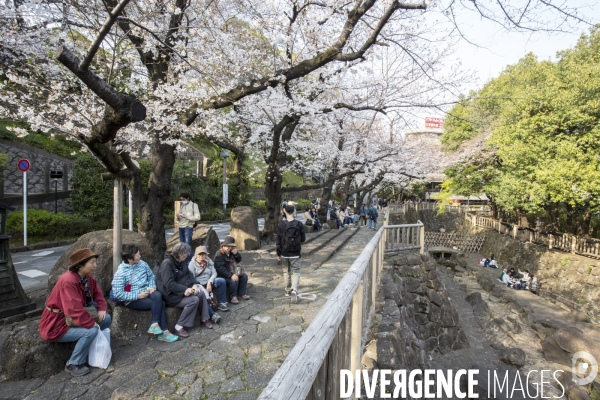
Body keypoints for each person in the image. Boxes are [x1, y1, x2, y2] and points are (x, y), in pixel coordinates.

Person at [40, 248, 112, 377]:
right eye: (92, 263)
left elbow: (97, 293)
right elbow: (73, 309)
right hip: (57, 323)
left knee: (106, 318)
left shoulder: (86, 277)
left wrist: (102, 308)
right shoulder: (68, 281)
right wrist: (91, 323)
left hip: (72, 317)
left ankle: (96, 349)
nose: (96, 266)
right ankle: (73, 363)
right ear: (80, 265)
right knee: (91, 331)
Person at [111, 244, 178, 342]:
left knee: (158, 295)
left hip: (147, 292)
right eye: (137, 255)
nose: (140, 256)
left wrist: (151, 287)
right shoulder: (120, 273)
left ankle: (155, 324)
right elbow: (118, 294)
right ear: (130, 259)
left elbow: (151, 276)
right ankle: (164, 332)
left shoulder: (142, 263)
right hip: (132, 299)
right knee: (161, 303)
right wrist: (137, 295)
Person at [156, 243, 213, 338]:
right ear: (180, 255)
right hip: (170, 295)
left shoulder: (181, 261)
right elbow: (169, 284)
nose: (187, 255)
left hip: (180, 291)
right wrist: (185, 290)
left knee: (201, 293)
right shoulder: (167, 264)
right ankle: (179, 326)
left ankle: (205, 318)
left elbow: (189, 274)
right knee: (194, 300)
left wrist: (194, 284)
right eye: (186, 254)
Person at [277, 204, 306, 303]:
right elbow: (303, 239)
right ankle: (294, 290)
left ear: (284, 211)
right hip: (296, 252)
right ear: (293, 211)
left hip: (284, 252)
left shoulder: (281, 225)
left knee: (286, 272)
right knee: (296, 271)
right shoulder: (299, 224)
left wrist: (278, 253)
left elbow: (278, 241)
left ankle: (287, 291)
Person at [189, 245, 225, 319]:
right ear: (196, 255)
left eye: (203, 254)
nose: (201, 257)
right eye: (199, 254)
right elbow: (192, 278)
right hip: (199, 284)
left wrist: (210, 282)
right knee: (202, 295)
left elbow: (214, 273)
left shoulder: (209, 261)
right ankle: (212, 314)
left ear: (206, 254)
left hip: (208, 281)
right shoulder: (192, 264)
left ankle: (222, 302)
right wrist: (201, 287)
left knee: (221, 281)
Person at [214, 236, 250, 304]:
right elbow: (220, 268)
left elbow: (239, 260)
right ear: (223, 246)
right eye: (227, 246)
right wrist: (231, 275)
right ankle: (233, 296)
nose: (229, 248)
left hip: (232, 271)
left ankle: (241, 293)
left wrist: (236, 254)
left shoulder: (231, 252)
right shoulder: (219, 254)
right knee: (234, 280)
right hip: (222, 275)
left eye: (231, 246)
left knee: (244, 276)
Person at [177, 193, 201, 261]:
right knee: (182, 247)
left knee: (188, 247)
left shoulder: (194, 205)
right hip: (181, 226)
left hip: (188, 227)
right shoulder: (182, 206)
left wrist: (188, 217)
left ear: (187, 198)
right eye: (181, 199)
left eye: (183, 199)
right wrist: (178, 217)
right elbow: (178, 219)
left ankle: (192, 262)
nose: (182, 201)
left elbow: (198, 217)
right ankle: (184, 261)